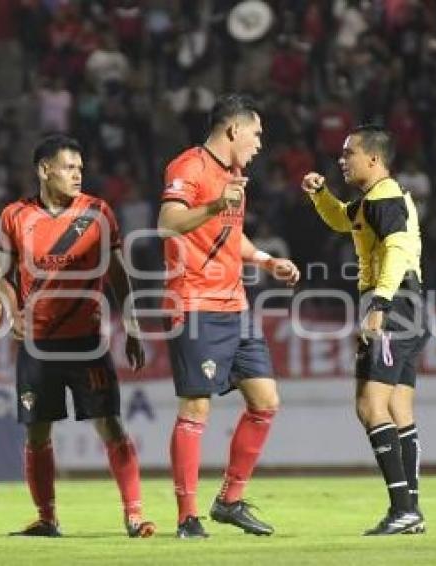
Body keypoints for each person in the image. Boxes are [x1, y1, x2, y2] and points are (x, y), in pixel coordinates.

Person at [157, 94, 300, 538]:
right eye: (256, 134)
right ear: (233, 130)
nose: (259, 144)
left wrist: (263, 259)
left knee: (265, 402)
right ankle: (187, 517)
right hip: (195, 303)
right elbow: (168, 221)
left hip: (234, 304)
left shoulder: (234, 175)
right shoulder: (189, 167)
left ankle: (230, 501)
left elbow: (228, 234)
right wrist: (217, 205)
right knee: (196, 406)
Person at [0, 134, 155, 539]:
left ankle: (134, 516)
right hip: (37, 344)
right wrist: (10, 308)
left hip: (86, 342)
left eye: (80, 169)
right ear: (44, 170)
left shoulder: (98, 212)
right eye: (69, 168)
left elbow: (119, 275)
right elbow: (3, 277)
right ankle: (47, 518)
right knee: (37, 431)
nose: (77, 175)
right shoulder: (15, 215)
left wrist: (133, 327)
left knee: (111, 426)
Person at [302, 125, 427, 536]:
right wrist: (320, 196)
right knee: (398, 411)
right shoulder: (372, 200)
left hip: (392, 302)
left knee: (369, 406)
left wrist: (379, 305)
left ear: (373, 159)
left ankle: (402, 508)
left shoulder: (385, 197)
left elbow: (395, 249)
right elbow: (342, 220)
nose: (342, 160)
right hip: (410, 303)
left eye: (349, 153)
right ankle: (411, 511)